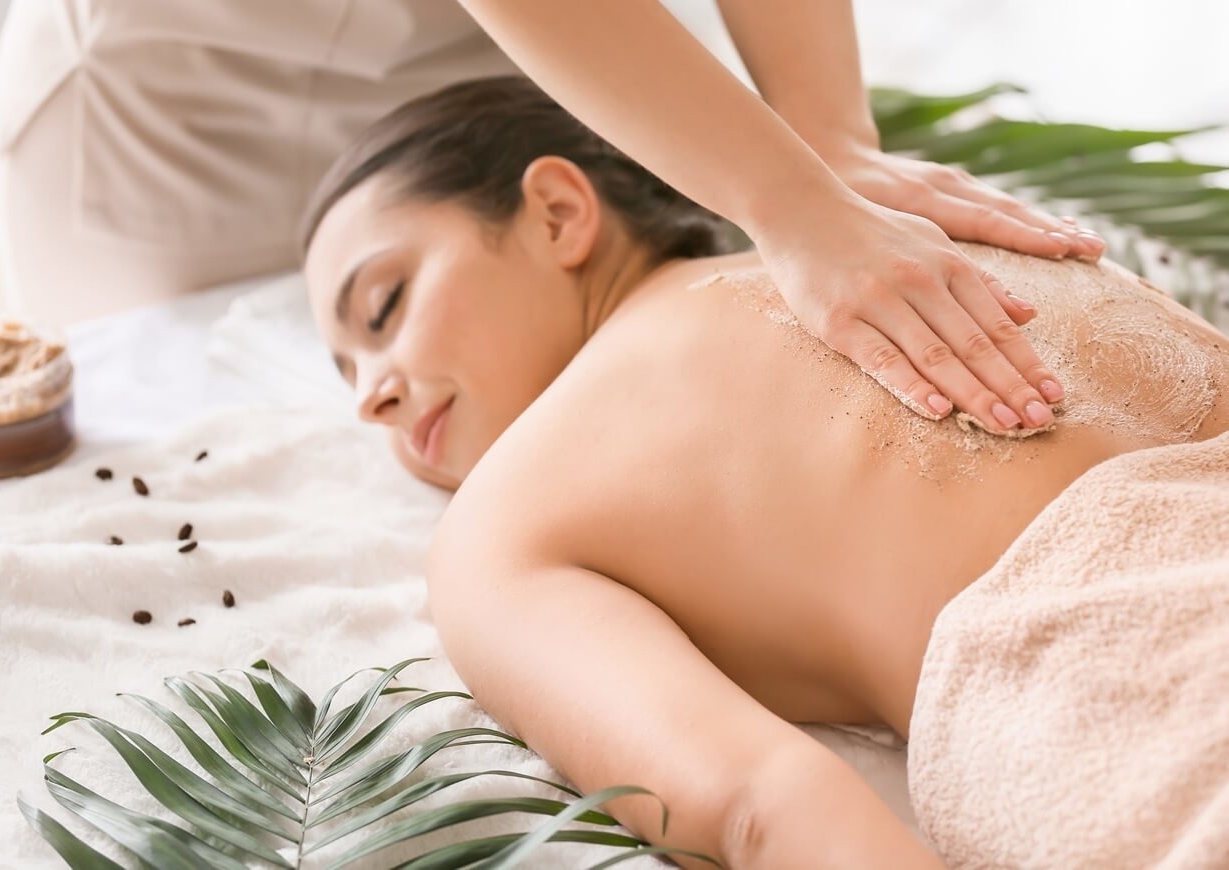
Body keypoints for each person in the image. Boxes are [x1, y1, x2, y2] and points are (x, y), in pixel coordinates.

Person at [298, 76, 1229, 867]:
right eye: (346, 375)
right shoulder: (921, 242)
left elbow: (760, 808)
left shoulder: (497, 536)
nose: (370, 398)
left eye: (384, 306)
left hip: (1136, 671)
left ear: (558, 212)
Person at [0, 0, 1101, 434]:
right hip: (175, 103)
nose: (373, 399)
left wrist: (829, 146)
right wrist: (793, 203)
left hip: (473, 46)